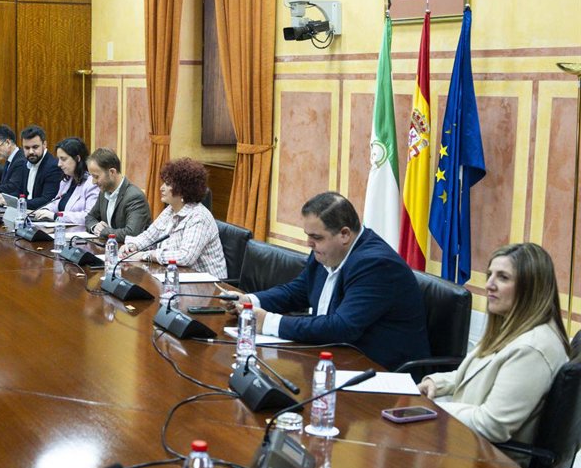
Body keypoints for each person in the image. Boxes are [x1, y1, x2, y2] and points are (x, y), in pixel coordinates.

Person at [231, 191, 429, 371]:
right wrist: (248, 301)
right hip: (336, 360)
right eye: (308, 236)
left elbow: (342, 327)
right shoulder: (327, 251)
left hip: (382, 372)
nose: (309, 243)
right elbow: (298, 291)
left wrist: (268, 322)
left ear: (344, 234)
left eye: (316, 237)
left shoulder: (375, 264)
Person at [419, 243, 571, 444]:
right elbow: (477, 374)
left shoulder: (531, 350)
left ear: (531, 288)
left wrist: (433, 410)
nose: (489, 285)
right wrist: (437, 383)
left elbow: (493, 425)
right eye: (490, 275)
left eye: (503, 277)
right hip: (466, 440)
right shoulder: (512, 326)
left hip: (486, 456)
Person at [118, 158, 225, 276]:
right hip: (177, 276)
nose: (161, 188)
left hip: (208, 283)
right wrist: (132, 246)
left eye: (167, 184)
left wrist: (146, 255)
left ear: (183, 189)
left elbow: (185, 257)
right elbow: (149, 236)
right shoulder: (170, 210)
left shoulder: (199, 217)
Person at [84, 148, 151, 244]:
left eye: (96, 177)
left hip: (131, 251)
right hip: (109, 248)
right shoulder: (104, 192)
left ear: (112, 172)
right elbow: (90, 217)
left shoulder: (134, 197)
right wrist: (95, 227)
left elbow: (132, 233)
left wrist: (104, 231)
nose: (93, 182)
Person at [32, 137, 99, 226]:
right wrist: (45, 211)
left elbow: (89, 216)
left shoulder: (92, 183)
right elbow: (55, 203)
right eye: (59, 159)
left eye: (63, 159)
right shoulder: (66, 180)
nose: (59, 164)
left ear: (77, 158)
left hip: (78, 232)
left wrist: (56, 216)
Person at [0, 124, 26, 198]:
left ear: (8, 143)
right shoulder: (9, 160)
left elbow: (12, 188)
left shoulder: (21, 161)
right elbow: (4, 185)